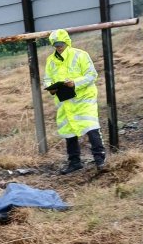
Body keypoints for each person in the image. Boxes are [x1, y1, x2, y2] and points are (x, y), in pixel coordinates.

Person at [43, 29, 106, 174]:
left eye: (61, 44)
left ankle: (100, 160)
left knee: (90, 126)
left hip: (83, 99)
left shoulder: (80, 55)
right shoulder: (51, 60)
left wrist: (75, 83)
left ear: (67, 42)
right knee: (68, 131)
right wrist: (49, 88)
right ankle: (74, 162)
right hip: (65, 101)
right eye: (56, 45)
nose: (58, 47)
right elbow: (47, 78)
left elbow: (92, 75)